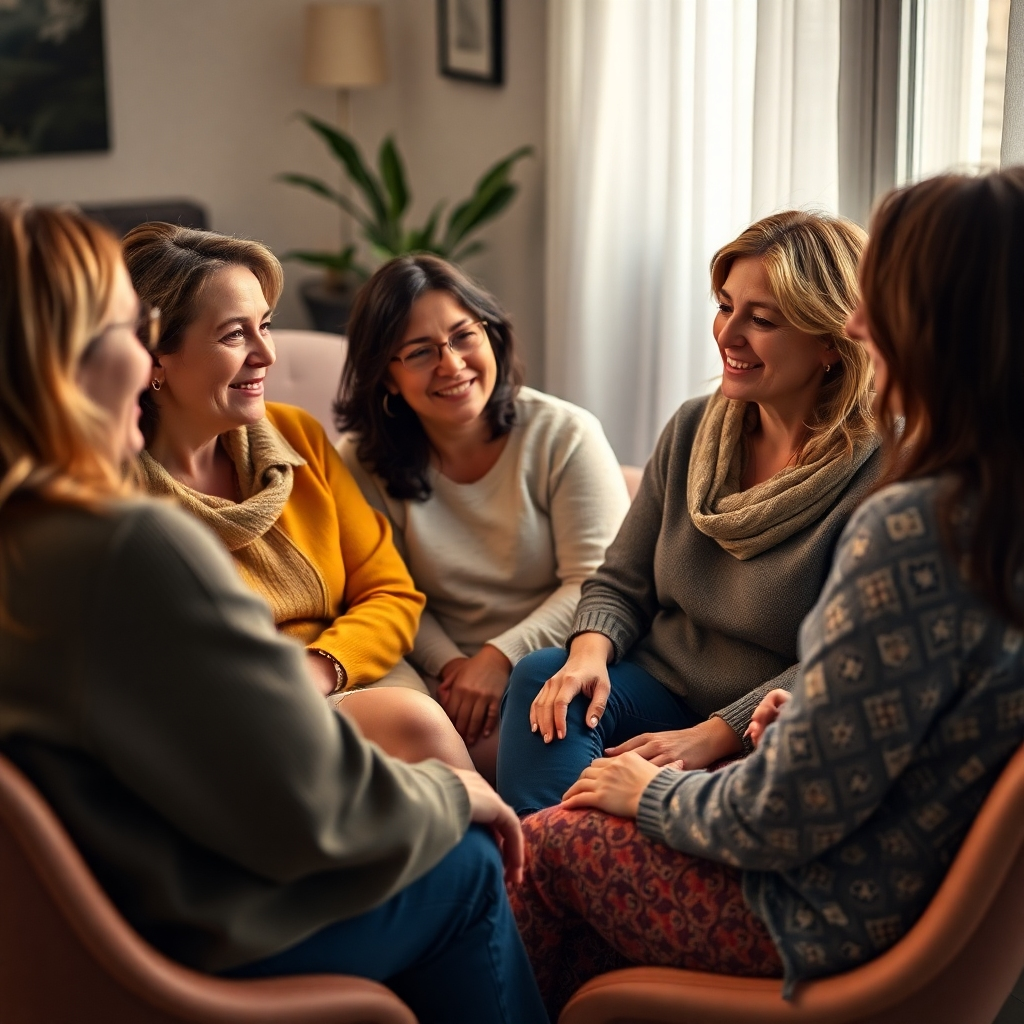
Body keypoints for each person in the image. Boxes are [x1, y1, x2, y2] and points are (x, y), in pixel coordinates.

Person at [0, 201, 547, 1024]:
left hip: (101, 904)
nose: (265, 353)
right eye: (127, 330)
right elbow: (307, 803)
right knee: (468, 864)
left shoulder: (30, 532)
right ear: (77, 362)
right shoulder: (124, 541)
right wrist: (448, 795)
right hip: (188, 923)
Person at [507, 168, 1024, 1018]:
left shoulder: (910, 524)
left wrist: (653, 795)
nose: (861, 322)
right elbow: (907, 715)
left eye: (881, 298)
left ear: (939, 325)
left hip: (820, 909)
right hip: (885, 877)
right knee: (555, 756)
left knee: (542, 853)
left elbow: (782, 818)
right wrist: (808, 708)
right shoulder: (989, 508)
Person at [498, 210, 881, 814]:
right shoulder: (693, 427)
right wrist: (587, 656)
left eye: (761, 320)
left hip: (768, 718)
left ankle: (555, 874)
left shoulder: (883, 468)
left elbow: (854, 651)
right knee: (542, 678)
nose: (727, 335)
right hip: (661, 684)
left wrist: (714, 734)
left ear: (832, 343)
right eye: (726, 306)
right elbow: (620, 580)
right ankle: (551, 868)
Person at [122, 223, 471, 770]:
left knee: (429, 748)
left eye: (265, 326)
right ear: (154, 358)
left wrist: (321, 666)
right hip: (239, 721)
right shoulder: (108, 495)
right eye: (234, 334)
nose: (267, 354)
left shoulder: (298, 436)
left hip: (358, 676)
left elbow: (393, 596)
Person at [335, 254, 630, 778]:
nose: (451, 365)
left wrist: (498, 659)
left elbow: (597, 583)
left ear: (492, 335)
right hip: (433, 673)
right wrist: (452, 670)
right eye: (421, 352)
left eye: (463, 336)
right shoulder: (359, 459)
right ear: (386, 377)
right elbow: (380, 591)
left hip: (555, 663)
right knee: (397, 746)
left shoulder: (564, 434)